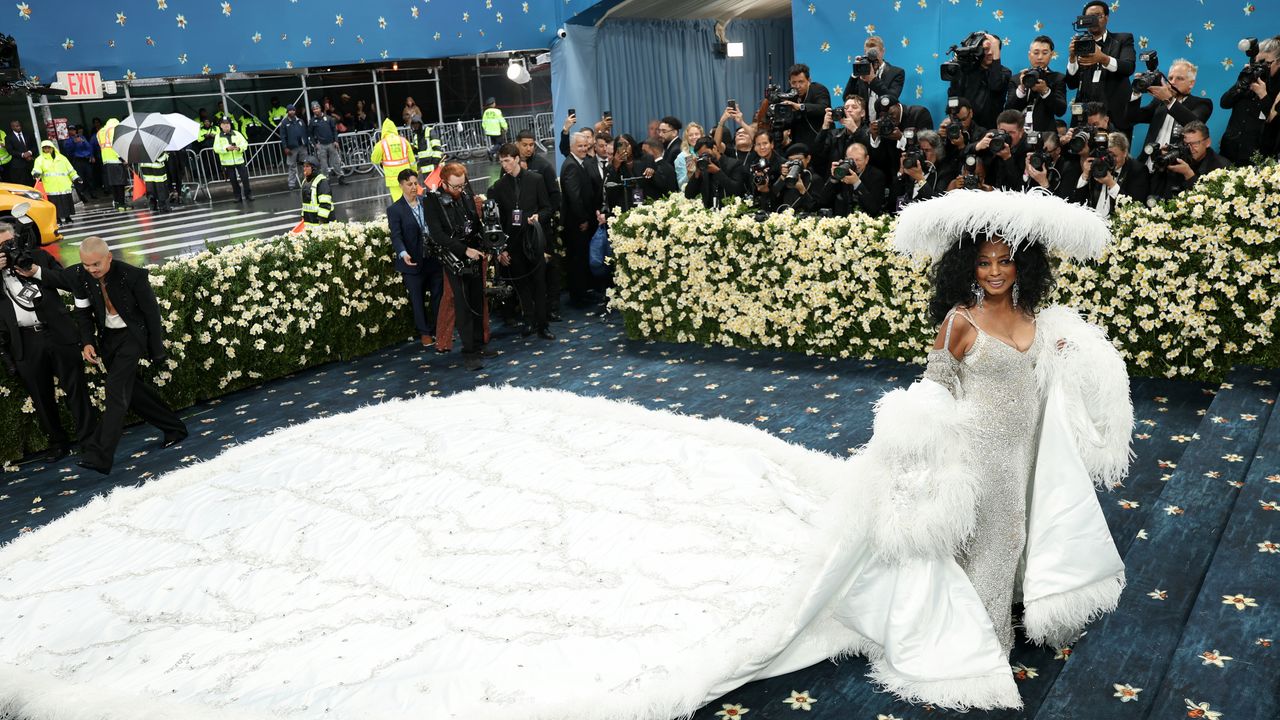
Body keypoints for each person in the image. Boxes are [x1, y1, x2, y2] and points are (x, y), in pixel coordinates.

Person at [873, 188, 1129, 674]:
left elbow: (1047, 381)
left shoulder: (1036, 318)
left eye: (1004, 261)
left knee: (1025, 529)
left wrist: (1067, 359)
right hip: (980, 450)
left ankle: (1012, 605)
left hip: (1028, 447)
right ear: (968, 268)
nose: (994, 271)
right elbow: (935, 390)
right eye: (984, 262)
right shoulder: (959, 321)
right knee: (1001, 536)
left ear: (1022, 266)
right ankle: (984, 643)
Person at [69, 236, 188, 475]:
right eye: (86, 265)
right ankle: (174, 428)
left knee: (115, 389)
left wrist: (157, 349)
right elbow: (83, 313)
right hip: (108, 340)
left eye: (96, 264)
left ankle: (99, 455)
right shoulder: (82, 277)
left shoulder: (132, 275)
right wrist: (87, 342)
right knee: (132, 391)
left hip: (133, 336)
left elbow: (151, 313)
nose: (91, 269)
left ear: (109, 257)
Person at [0, 222, 93, 463]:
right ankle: (58, 443)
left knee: (76, 389)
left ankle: (89, 440)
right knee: (41, 397)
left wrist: (37, 271)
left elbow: (68, 282)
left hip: (58, 332)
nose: (8, 250)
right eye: (1, 247)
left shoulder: (39, 257)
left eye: (10, 243)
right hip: (25, 340)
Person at [423, 163, 490, 370]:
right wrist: (464, 250)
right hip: (454, 258)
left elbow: (475, 224)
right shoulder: (432, 201)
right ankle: (469, 351)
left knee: (477, 301)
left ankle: (479, 345)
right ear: (443, 183)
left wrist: (484, 244)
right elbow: (438, 235)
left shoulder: (465, 194)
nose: (460, 190)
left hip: (474, 253)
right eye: (455, 187)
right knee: (463, 306)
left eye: (462, 185)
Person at [488, 144, 554, 340]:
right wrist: (501, 249)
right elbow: (498, 221)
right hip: (513, 244)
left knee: (539, 284)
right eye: (501, 161)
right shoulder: (498, 187)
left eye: (507, 160)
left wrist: (538, 217)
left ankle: (543, 325)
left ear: (517, 159)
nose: (504, 165)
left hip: (533, 240)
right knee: (522, 286)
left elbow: (547, 208)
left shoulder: (535, 179)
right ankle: (529, 321)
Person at [386, 168, 444, 349]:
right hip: (412, 262)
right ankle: (425, 333)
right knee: (417, 299)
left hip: (432, 259)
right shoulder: (395, 210)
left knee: (438, 295)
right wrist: (403, 253)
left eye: (415, 183)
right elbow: (396, 236)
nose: (413, 187)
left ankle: (438, 329)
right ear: (401, 185)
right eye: (409, 184)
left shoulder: (426, 202)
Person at [1127, 58, 1212, 171]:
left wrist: (1169, 100)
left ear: (1191, 83)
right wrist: (1136, 92)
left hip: (1175, 169)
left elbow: (1194, 125)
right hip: (1146, 165)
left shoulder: (1202, 104)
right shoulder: (1159, 102)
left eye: (1179, 78)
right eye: (1170, 78)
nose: (1172, 82)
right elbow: (1132, 117)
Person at [1065, 0, 1136, 133]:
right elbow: (1072, 84)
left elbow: (1128, 67)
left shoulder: (1122, 39)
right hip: (1084, 116)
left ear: (1107, 18)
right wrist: (1072, 58)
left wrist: (1103, 58)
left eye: (1098, 16)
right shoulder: (1079, 43)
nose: (1093, 20)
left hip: (1115, 115)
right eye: (1089, 17)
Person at [516, 130, 563, 322]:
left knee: (549, 268)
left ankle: (552, 308)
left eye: (532, 145)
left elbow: (555, 196)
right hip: (521, 230)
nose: (529, 148)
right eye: (525, 145)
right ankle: (531, 310)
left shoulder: (543, 166)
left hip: (542, 228)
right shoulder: (511, 166)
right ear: (517, 144)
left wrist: (543, 216)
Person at [1220, 37, 1280, 165]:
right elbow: (1224, 103)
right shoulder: (1250, 78)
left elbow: (1273, 121)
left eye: (1266, 63)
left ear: (1278, 62)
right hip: (1229, 151)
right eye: (1258, 62)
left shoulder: (1277, 90)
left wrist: (1263, 95)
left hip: (1257, 158)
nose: (1261, 67)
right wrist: (1240, 84)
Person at [560, 131, 598, 308]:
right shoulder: (571, 166)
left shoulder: (578, 163)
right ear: (571, 148)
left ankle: (582, 293)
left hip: (580, 221)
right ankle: (578, 297)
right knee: (577, 260)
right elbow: (574, 197)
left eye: (585, 145)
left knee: (581, 259)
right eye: (580, 146)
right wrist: (583, 219)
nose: (584, 149)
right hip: (576, 224)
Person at [946, 33, 1011, 131]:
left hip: (991, 129)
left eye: (994, 49)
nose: (990, 53)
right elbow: (954, 97)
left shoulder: (1004, 72)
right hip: (965, 127)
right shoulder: (967, 71)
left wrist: (996, 58)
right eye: (986, 49)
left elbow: (995, 86)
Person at [1154, 120, 1232, 199]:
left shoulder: (1221, 167)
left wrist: (1188, 174)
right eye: (1186, 144)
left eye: (1195, 144)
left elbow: (1210, 201)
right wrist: (1163, 161)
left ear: (1208, 142)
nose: (1190, 148)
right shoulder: (1179, 157)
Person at [1005, 36, 1068, 132]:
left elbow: (1060, 111)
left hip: (1045, 134)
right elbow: (1008, 110)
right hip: (1018, 134)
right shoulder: (1016, 79)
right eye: (1036, 53)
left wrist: (1045, 91)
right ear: (1029, 55)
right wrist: (1022, 88)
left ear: (1051, 55)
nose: (1040, 57)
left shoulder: (1058, 78)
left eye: (1045, 53)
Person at [843, 36, 906, 124]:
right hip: (864, 126)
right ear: (865, 53)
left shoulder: (896, 72)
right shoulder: (862, 73)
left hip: (886, 124)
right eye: (870, 54)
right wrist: (855, 73)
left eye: (875, 53)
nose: (873, 57)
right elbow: (846, 98)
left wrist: (873, 80)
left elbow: (892, 99)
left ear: (883, 51)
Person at [819, 141, 886, 216]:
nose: (854, 164)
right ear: (845, 158)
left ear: (866, 159)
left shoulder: (876, 175)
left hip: (864, 220)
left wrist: (857, 183)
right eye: (851, 160)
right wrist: (834, 178)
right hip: (840, 219)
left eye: (858, 160)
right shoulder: (842, 171)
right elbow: (822, 201)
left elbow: (874, 209)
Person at [895, 129, 954, 208]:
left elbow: (936, 202)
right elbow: (895, 197)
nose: (922, 154)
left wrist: (920, 179)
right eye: (920, 150)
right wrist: (901, 172)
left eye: (926, 150)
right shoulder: (914, 166)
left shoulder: (945, 171)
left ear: (937, 151)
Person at [683, 136, 746, 209]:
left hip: (731, 211)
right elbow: (689, 195)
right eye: (700, 156)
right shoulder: (704, 169)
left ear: (714, 148)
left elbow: (737, 190)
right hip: (710, 212)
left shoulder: (734, 164)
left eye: (705, 154)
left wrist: (717, 172)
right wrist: (697, 173)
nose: (705, 158)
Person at [780, 64, 831, 150]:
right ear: (789, 82)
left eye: (801, 82)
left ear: (809, 80)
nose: (797, 86)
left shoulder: (818, 89)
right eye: (794, 83)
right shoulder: (789, 94)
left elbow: (823, 108)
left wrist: (799, 106)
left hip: (821, 143)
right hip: (799, 145)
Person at [31, 140, 80, 224]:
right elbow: (36, 169)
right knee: (54, 204)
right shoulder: (40, 159)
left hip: (64, 185)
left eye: (49, 147)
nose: (47, 150)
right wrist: (35, 174)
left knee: (66, 202)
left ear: (52, 148)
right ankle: (57, 219)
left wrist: (76, 177)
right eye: (45, 148)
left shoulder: (62, 158)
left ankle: (68, 217)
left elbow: (70, 170)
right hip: (51, 187)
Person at [370, 118, 414, 202]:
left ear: (384, 130)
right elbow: (412, 160)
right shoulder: (404, 141)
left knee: (398, 202)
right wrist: (414, 173)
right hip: (407, 177)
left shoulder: (382, 144)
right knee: (410, 200)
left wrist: (382, 159)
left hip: (393, 179)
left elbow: (374, 160)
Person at [213, 118, 253, 202]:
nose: (226, 125)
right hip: (227, 163)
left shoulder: (237, 133)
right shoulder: (218, 136)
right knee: (233, 180)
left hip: (239, 160)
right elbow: (216, 148)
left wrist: (239, 148)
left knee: (245, 178)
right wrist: (226, 149)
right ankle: (237, 196)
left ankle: (248, 195)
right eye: (224, 124)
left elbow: (244, 143)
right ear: (221, 126)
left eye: (228, 123)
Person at [95, 118, 130, 211]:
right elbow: (115, 145)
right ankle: (122, 204)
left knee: (114, 184)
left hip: (106, 161)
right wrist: (122, 158)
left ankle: (117, 203)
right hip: (116, 160)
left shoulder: (100, 132)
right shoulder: (113, 130)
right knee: (120, 184)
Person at [308, 101, 343, 185]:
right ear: (312, 111)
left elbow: (334, 130)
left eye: (317, 108)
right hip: (321, 145)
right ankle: (326, 180)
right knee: (323, 164)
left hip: (331, 143)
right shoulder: (312, 121)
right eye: (314, 109)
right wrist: (315, 144)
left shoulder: (328, 118)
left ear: (320, 108)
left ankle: (341, 177)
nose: (316, 110)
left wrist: (336, 141)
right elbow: (310, 134)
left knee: (336, 161)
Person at [62, 127, 97, 199]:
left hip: (86, 159)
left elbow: (89, 147)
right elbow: (68, 151)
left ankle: (92, 193)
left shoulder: (81, 137)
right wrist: (74, 142)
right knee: (80, 178)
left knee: (90, 177)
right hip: (77, 160)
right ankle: (81, 195)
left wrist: (91, 155)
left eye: (74, 130)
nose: (72, 131)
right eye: (71, 130)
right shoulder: (68, 140)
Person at [279, 104, 308, 190]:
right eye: (290, 110)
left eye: (293, 110)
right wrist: (285, 147)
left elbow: (305, 132)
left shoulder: (300, 121)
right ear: (287, 112)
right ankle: (291, 184)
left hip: (302, 146)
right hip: (291, 148)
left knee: (305, 165)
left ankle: (306, 181)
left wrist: (306, 142)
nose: (292, 112)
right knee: (292, 166)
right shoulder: (284, 123)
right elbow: (283, 136)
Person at [299, 157, 334, 224]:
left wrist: (321, 219)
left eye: (307, 166)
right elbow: (305, 204)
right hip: (310, 223)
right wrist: (303, 216)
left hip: (324, 224)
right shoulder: (305, 182)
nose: (304, 169)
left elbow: (325, 203)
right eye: (304, 166)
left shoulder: (322, 181)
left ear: (314, 168)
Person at [136, 150, 170, 214]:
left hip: (146, 167)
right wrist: (166, 155)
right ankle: (162, 206)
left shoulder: (141, 146)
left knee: (150, 187)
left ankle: (152, 205)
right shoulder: (155, 146)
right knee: (160, 187)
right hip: (157, 168)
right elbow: (161, 158)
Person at [5, 120, 37, 187]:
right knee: (22, 182)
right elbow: (10, 151)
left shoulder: (28, 134)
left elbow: (35, 146)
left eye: (19, 125)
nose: (19, 127)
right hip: (18, 165)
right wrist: (22, 155)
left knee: (34, 182)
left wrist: (29, 152)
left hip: (30, 162)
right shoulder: (8, 137)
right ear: (12, 127)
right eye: (16, 126)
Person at [673, 122, 704, 189]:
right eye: (690, 135)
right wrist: (688, 175)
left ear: (702, 136)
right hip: (692, 192)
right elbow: (680, 185)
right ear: (686, 138)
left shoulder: (707, 152)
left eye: (697, 134)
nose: (694, 137)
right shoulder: (682, 156)